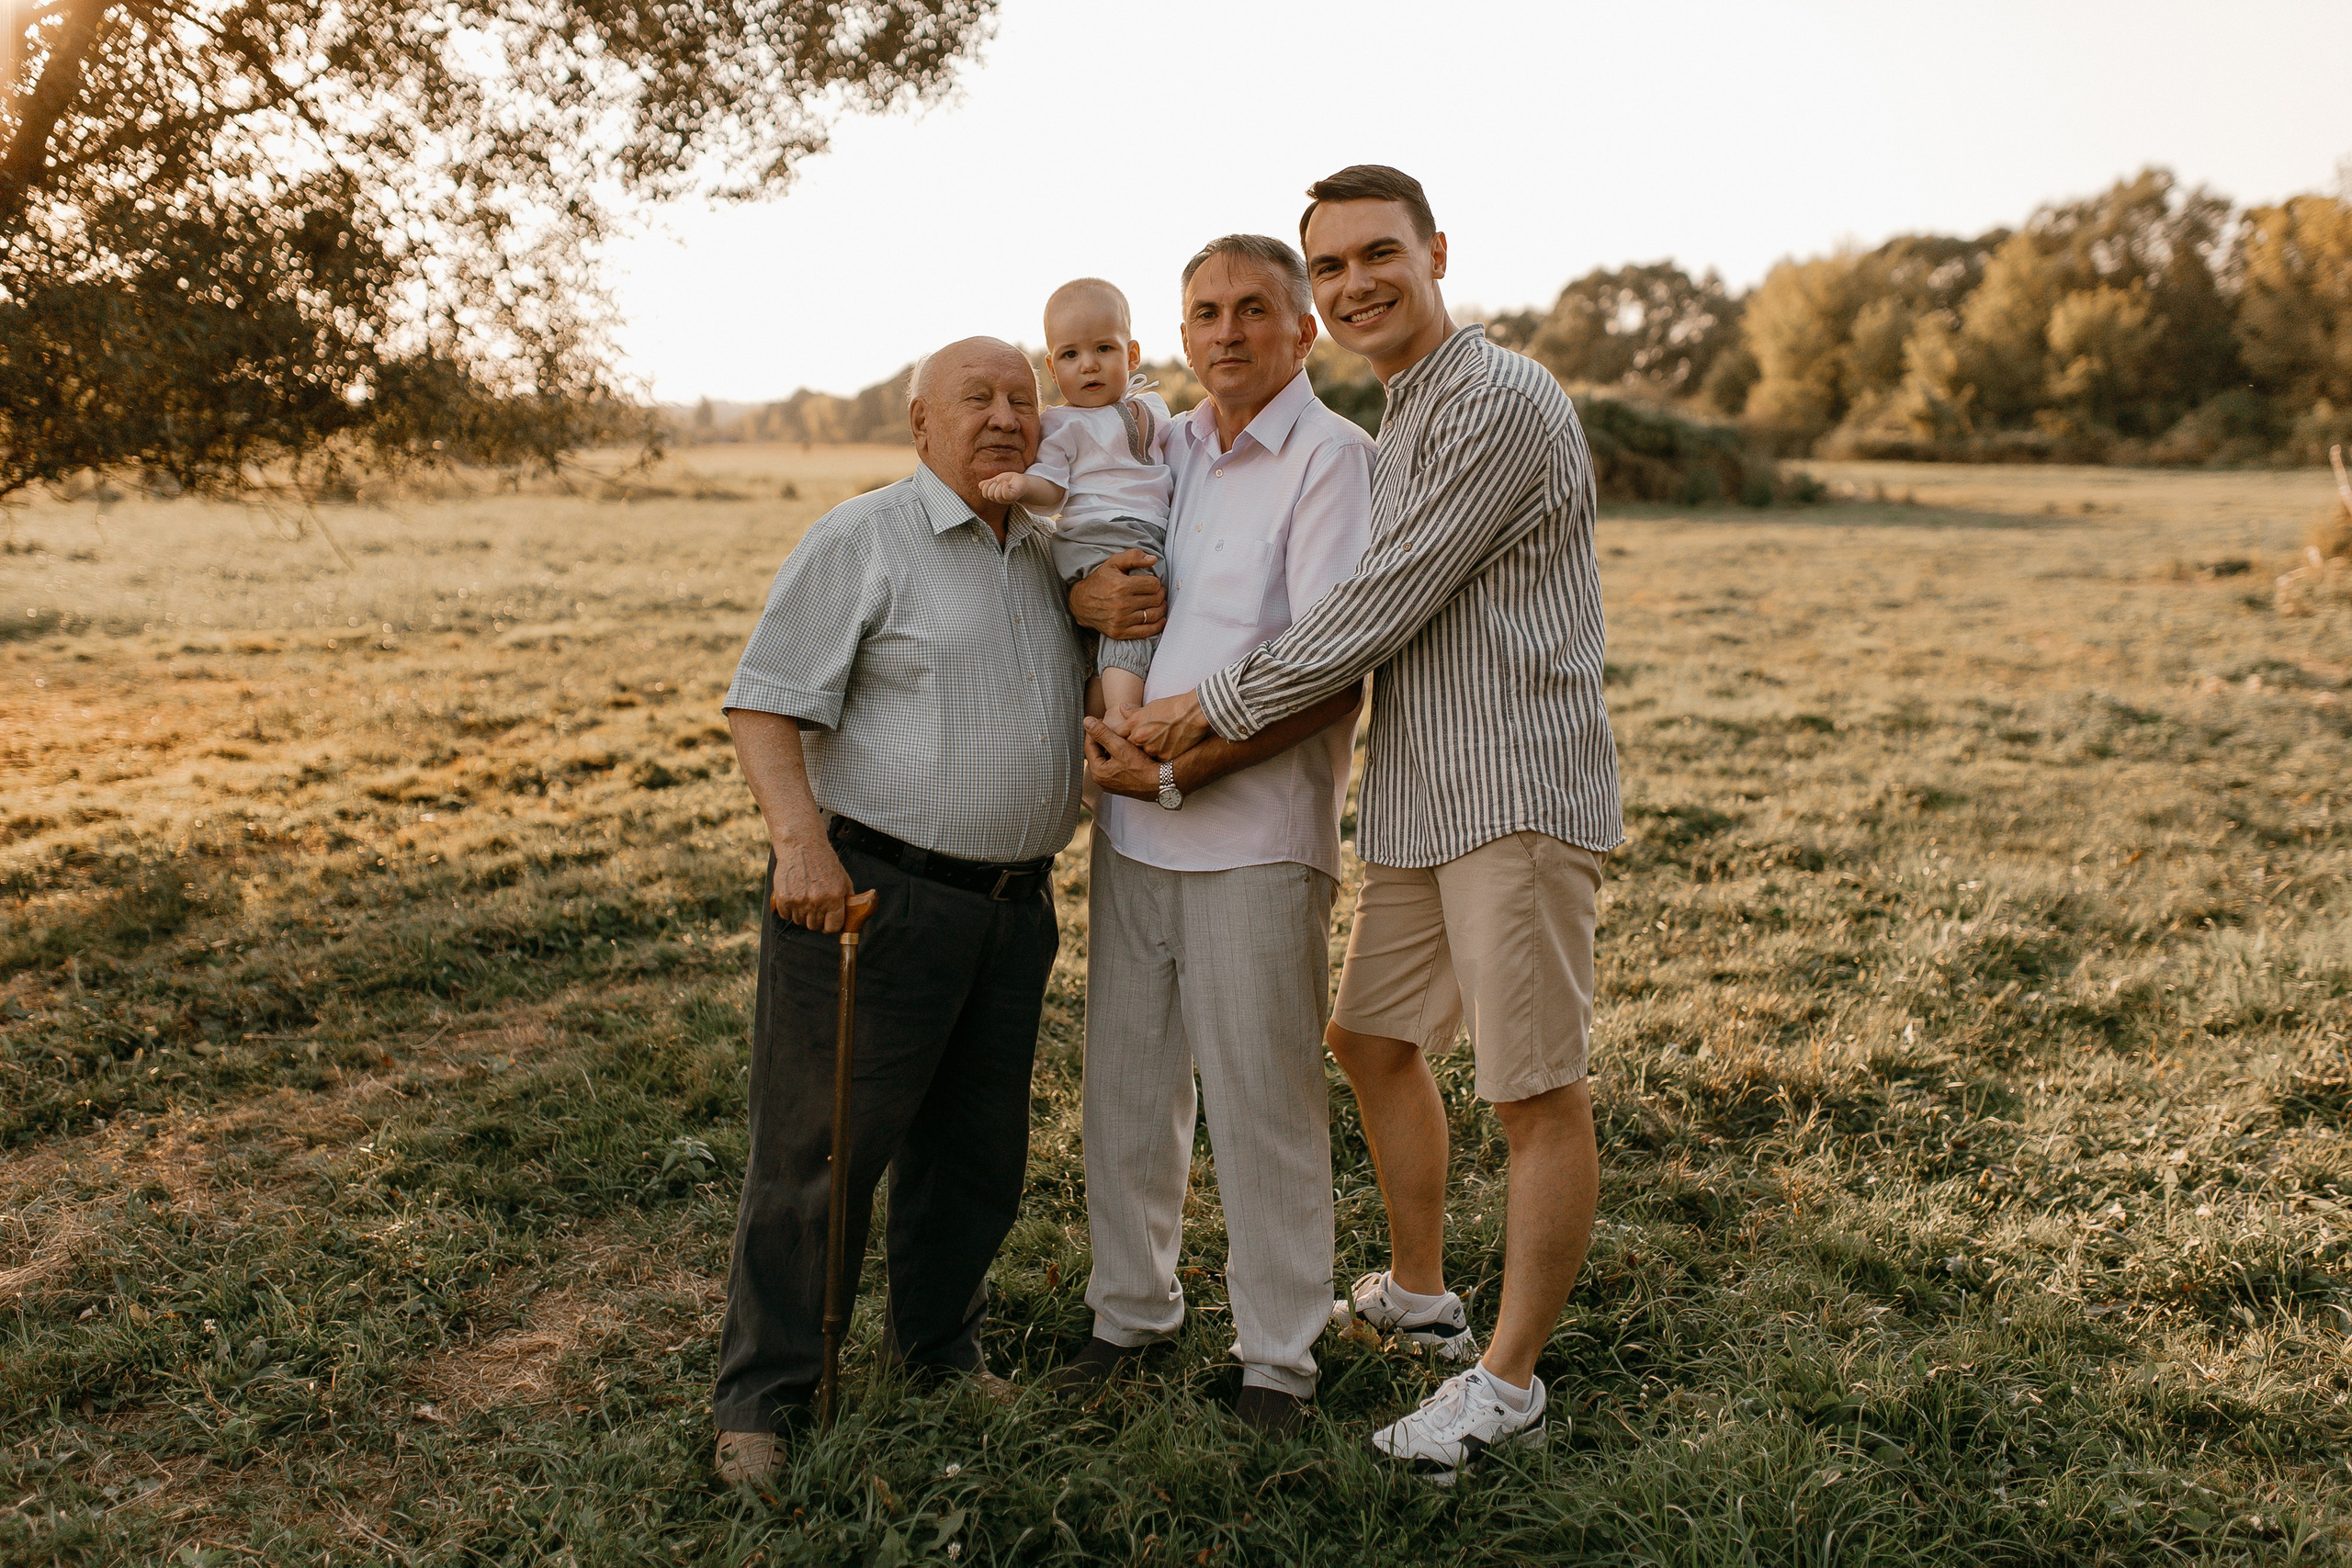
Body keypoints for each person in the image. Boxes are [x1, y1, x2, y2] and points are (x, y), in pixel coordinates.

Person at [1118, 166, 1624, 1483]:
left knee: (1532, 1088)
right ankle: (1417, 1286)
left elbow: (1382, 601)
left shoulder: (1500, 397)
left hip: (1511, 785)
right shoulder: (1407, 412)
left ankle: (1505, 1379)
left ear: (1436, 250)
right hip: (1425, 792)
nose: (1355, 284)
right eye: (1332, 265)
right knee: (1371, 1036)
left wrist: (1198, 712)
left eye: (1375, 255)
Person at [709, 337, 1087, 1485]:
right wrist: (799, 849)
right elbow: (765, 705)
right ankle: (763, 1403)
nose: (1005, 416)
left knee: (974, 1155)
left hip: (1011, 910)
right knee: (820, 1153)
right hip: (870, 898)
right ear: (920, 424)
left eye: (1023, 398)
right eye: (976, 398)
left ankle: (936, 1353)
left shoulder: (1047, 548)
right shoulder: (865, 538)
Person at [1050, 235, 1374, 1436]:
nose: (1226, 332)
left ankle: (1279, 1360)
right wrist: (1090, 597)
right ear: (1177, 335)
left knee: (1262, 1098)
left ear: (1304, 330)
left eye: (1252, 310)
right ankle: (1129, 1312)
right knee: (1128, 1088)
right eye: (1204, 312)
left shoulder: (1336, 464)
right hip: (1133, 836)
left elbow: (1332, 677)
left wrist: (1176, 769)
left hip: (1252, 832)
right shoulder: (1161, 443)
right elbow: (1095, 551)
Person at [979, 278, 1173, 721]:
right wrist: (1021, 487)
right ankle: (1123, 718)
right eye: (1071, 355)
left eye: (1104, 349)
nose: (1088, 366)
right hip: (1106, 532)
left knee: (1114, 635)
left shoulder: (1154, 410)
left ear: (1133, 354)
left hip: (1138, 530)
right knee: (1138, 612)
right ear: (1052, 368)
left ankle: (1092, 728)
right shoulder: (1062, 425)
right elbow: (1052, 490)